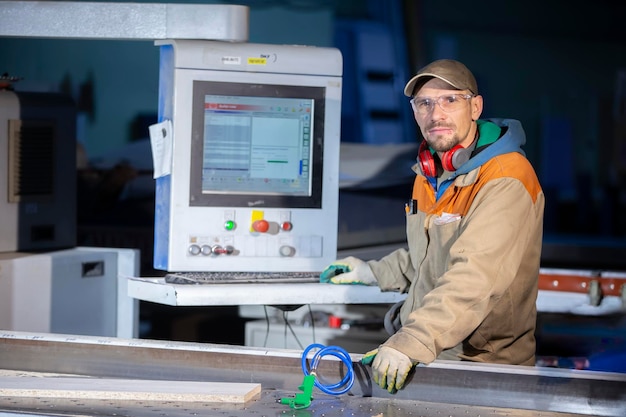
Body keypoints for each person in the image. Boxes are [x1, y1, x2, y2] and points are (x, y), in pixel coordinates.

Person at [320, 59, 545, 393]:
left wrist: (410, 341)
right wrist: (373, 272)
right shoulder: (430, 175)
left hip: (483, 367)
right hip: (435, 355)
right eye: (424, 103)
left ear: (475, 107)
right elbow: (428, 258)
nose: (435, 114)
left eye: (449, 100)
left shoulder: (506, 176)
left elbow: (475, 276)